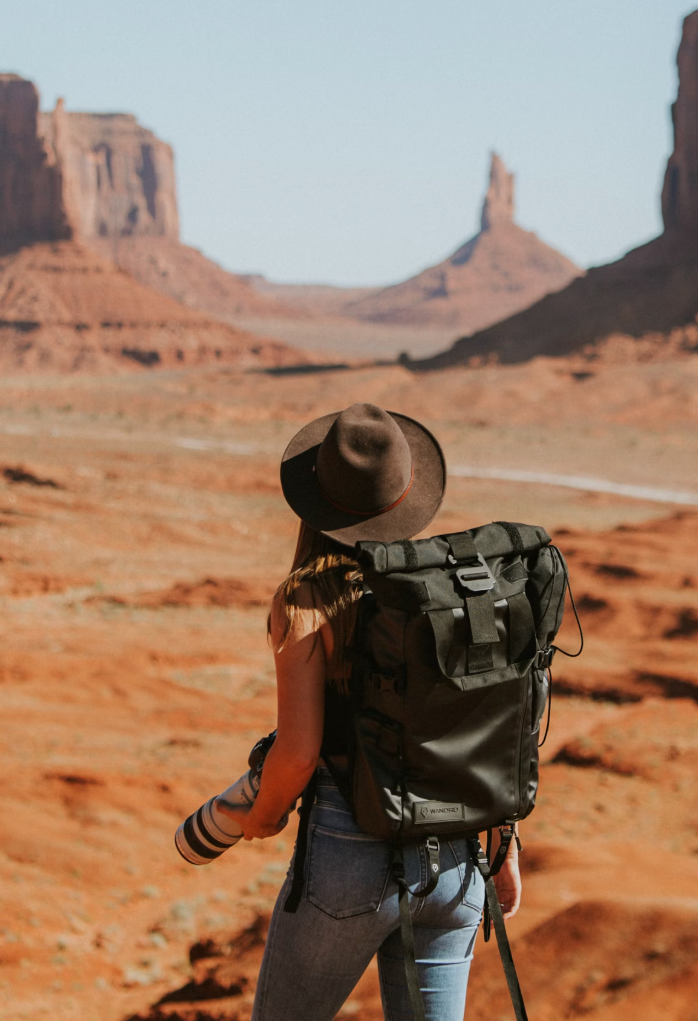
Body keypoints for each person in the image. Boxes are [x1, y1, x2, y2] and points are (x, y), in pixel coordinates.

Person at [220, 402, 522, 1021]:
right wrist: (504, 842)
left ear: (316, 504)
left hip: (349, 858)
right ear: (408, 499)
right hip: (460, 863)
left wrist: (261, 815)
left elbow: (300, 751)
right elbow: (485, 727)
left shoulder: (307, 598)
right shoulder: (452, 589)